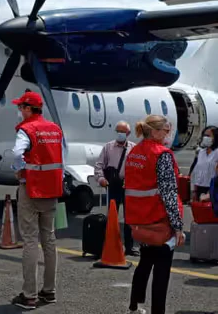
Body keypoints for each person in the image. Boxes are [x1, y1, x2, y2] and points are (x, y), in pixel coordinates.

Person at [124, 115, 185, 314]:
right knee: (161, 271)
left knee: (144, 263)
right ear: (156, 131)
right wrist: (177, 226)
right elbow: (169, 193)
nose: (168, 134)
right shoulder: (162, 155)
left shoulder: (134, 152)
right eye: (166, 130)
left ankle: (134, 307)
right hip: (158, 222)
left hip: (139, 222)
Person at [10, 91, 64, 310]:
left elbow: (16, 153)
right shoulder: (55, 129)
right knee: (49, 240)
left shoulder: (27, 129)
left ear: (28, 109)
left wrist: (19, 169)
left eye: (21, 107)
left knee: (31, 240)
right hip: (52, 190)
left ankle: (29, 294)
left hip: (32, 189)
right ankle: (49, 291)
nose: (19, 111)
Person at [93, 121, 139, 256]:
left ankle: (129, 247)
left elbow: (137, 168)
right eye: (118, 131)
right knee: (111, 216)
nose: (120, 134)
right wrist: (101, 179)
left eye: (123, 132)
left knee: (129, 218)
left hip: (128, 186)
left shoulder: (133, 148)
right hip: (112, 185)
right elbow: (99, 165)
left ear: (128, 134)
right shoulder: (108, 147)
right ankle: (109, 244)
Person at [189, 126, 218, 202]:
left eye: (208, 136)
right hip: (199, 188)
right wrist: (193, 190)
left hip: (213, 189)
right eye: (204, 135)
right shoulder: (200, 152)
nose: (205, 138)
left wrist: (210, 193)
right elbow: (195, 172)